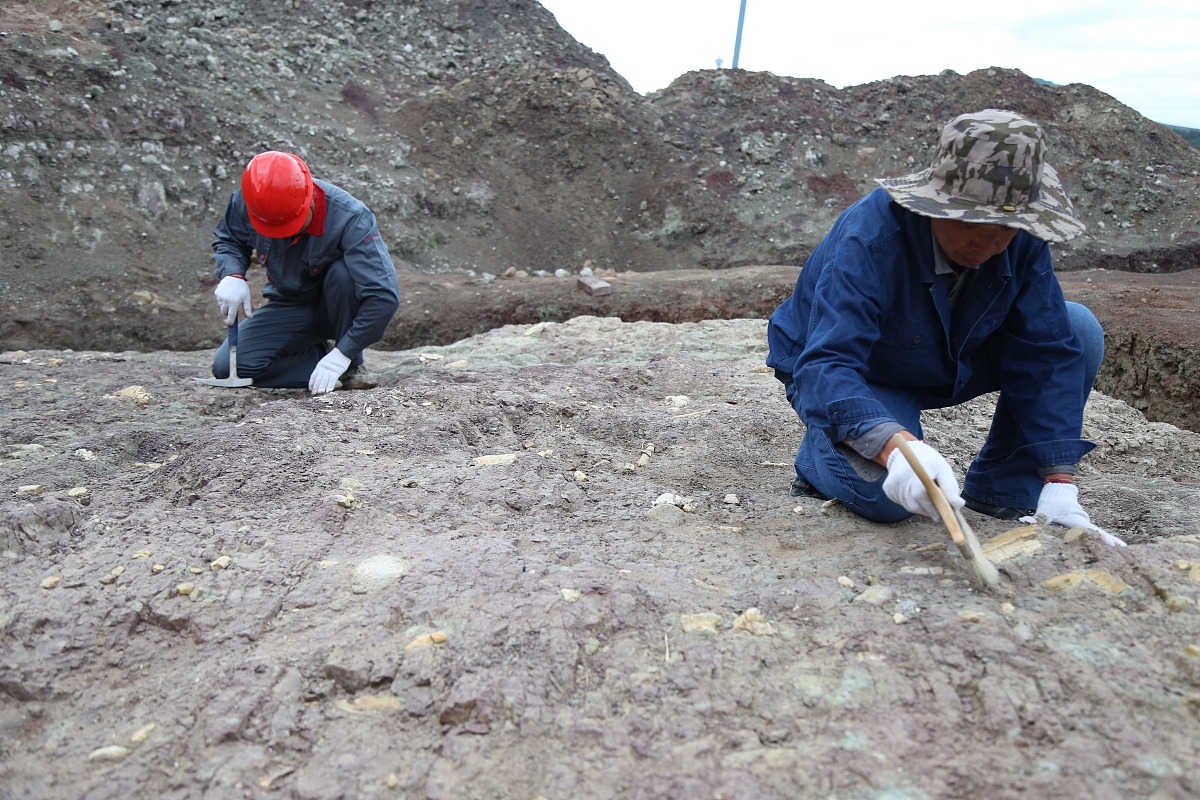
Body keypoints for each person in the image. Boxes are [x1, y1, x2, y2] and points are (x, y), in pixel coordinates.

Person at [766, 109, 1125, 546]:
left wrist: (1059, 481)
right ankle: (822, 453)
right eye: (974, 222)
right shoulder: (870, 239)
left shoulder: (1021, 239)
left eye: (1005, 231)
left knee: (1077, 328)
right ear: (935, 204)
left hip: (953, 357)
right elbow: (829, 361)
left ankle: (1004, 488)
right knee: (891, 500)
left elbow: (1044, 351)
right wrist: (894, 449)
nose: (990, 245)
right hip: (862, 374)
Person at [209, 151, 400, 394]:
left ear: (309, 196)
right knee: (227, 367)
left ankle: (350, 364)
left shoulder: (350, 217)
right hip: (290, 305)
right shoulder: (252, 202)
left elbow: (383, 296)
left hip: (338, 310)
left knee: (344, 275)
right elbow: (230, 240)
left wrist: (344, 353)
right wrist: (232, 274)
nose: (283, 234)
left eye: (290, 223)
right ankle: (321, 359)